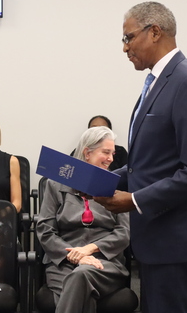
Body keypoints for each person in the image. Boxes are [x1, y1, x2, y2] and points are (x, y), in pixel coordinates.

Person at [94, 1, 187, 313]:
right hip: (156, 239)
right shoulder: (156, 82)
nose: (124, 48)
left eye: (128, 37)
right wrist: (102, 179)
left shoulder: (186, 81)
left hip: (176, 239)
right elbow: (148, 164)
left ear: (154, 32)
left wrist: (134, 201)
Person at [36, 126, 130, 313]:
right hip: (63, 263)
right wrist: (75, 256)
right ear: (87, 152)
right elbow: (45, 229)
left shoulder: (114, 186)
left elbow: (124, 233)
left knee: (81, 277)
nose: (111, 158)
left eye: (112, 153)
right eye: (106, 152)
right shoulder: (55, 184)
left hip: (105, 264)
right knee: (80, 285)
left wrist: (90, 250)